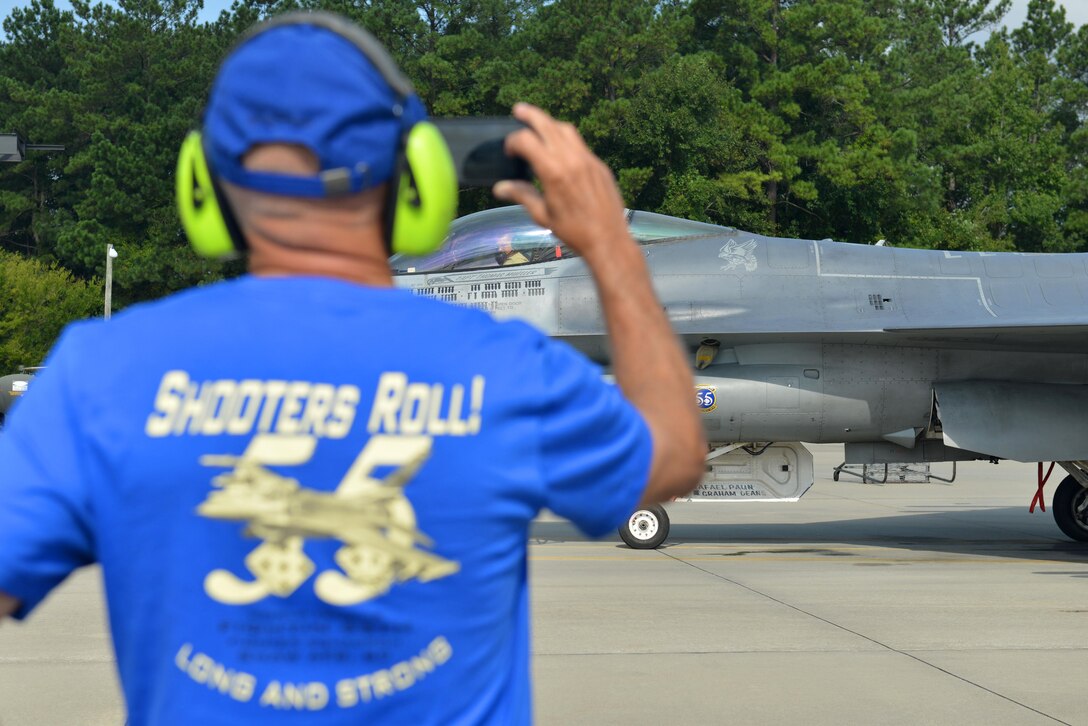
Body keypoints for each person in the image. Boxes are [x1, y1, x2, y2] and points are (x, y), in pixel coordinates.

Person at [0, 11, 705, 725]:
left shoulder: (101, 372)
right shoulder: (504, 369)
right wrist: (610, 242)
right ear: (416, 178)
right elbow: (674, 453)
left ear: (202, 185)